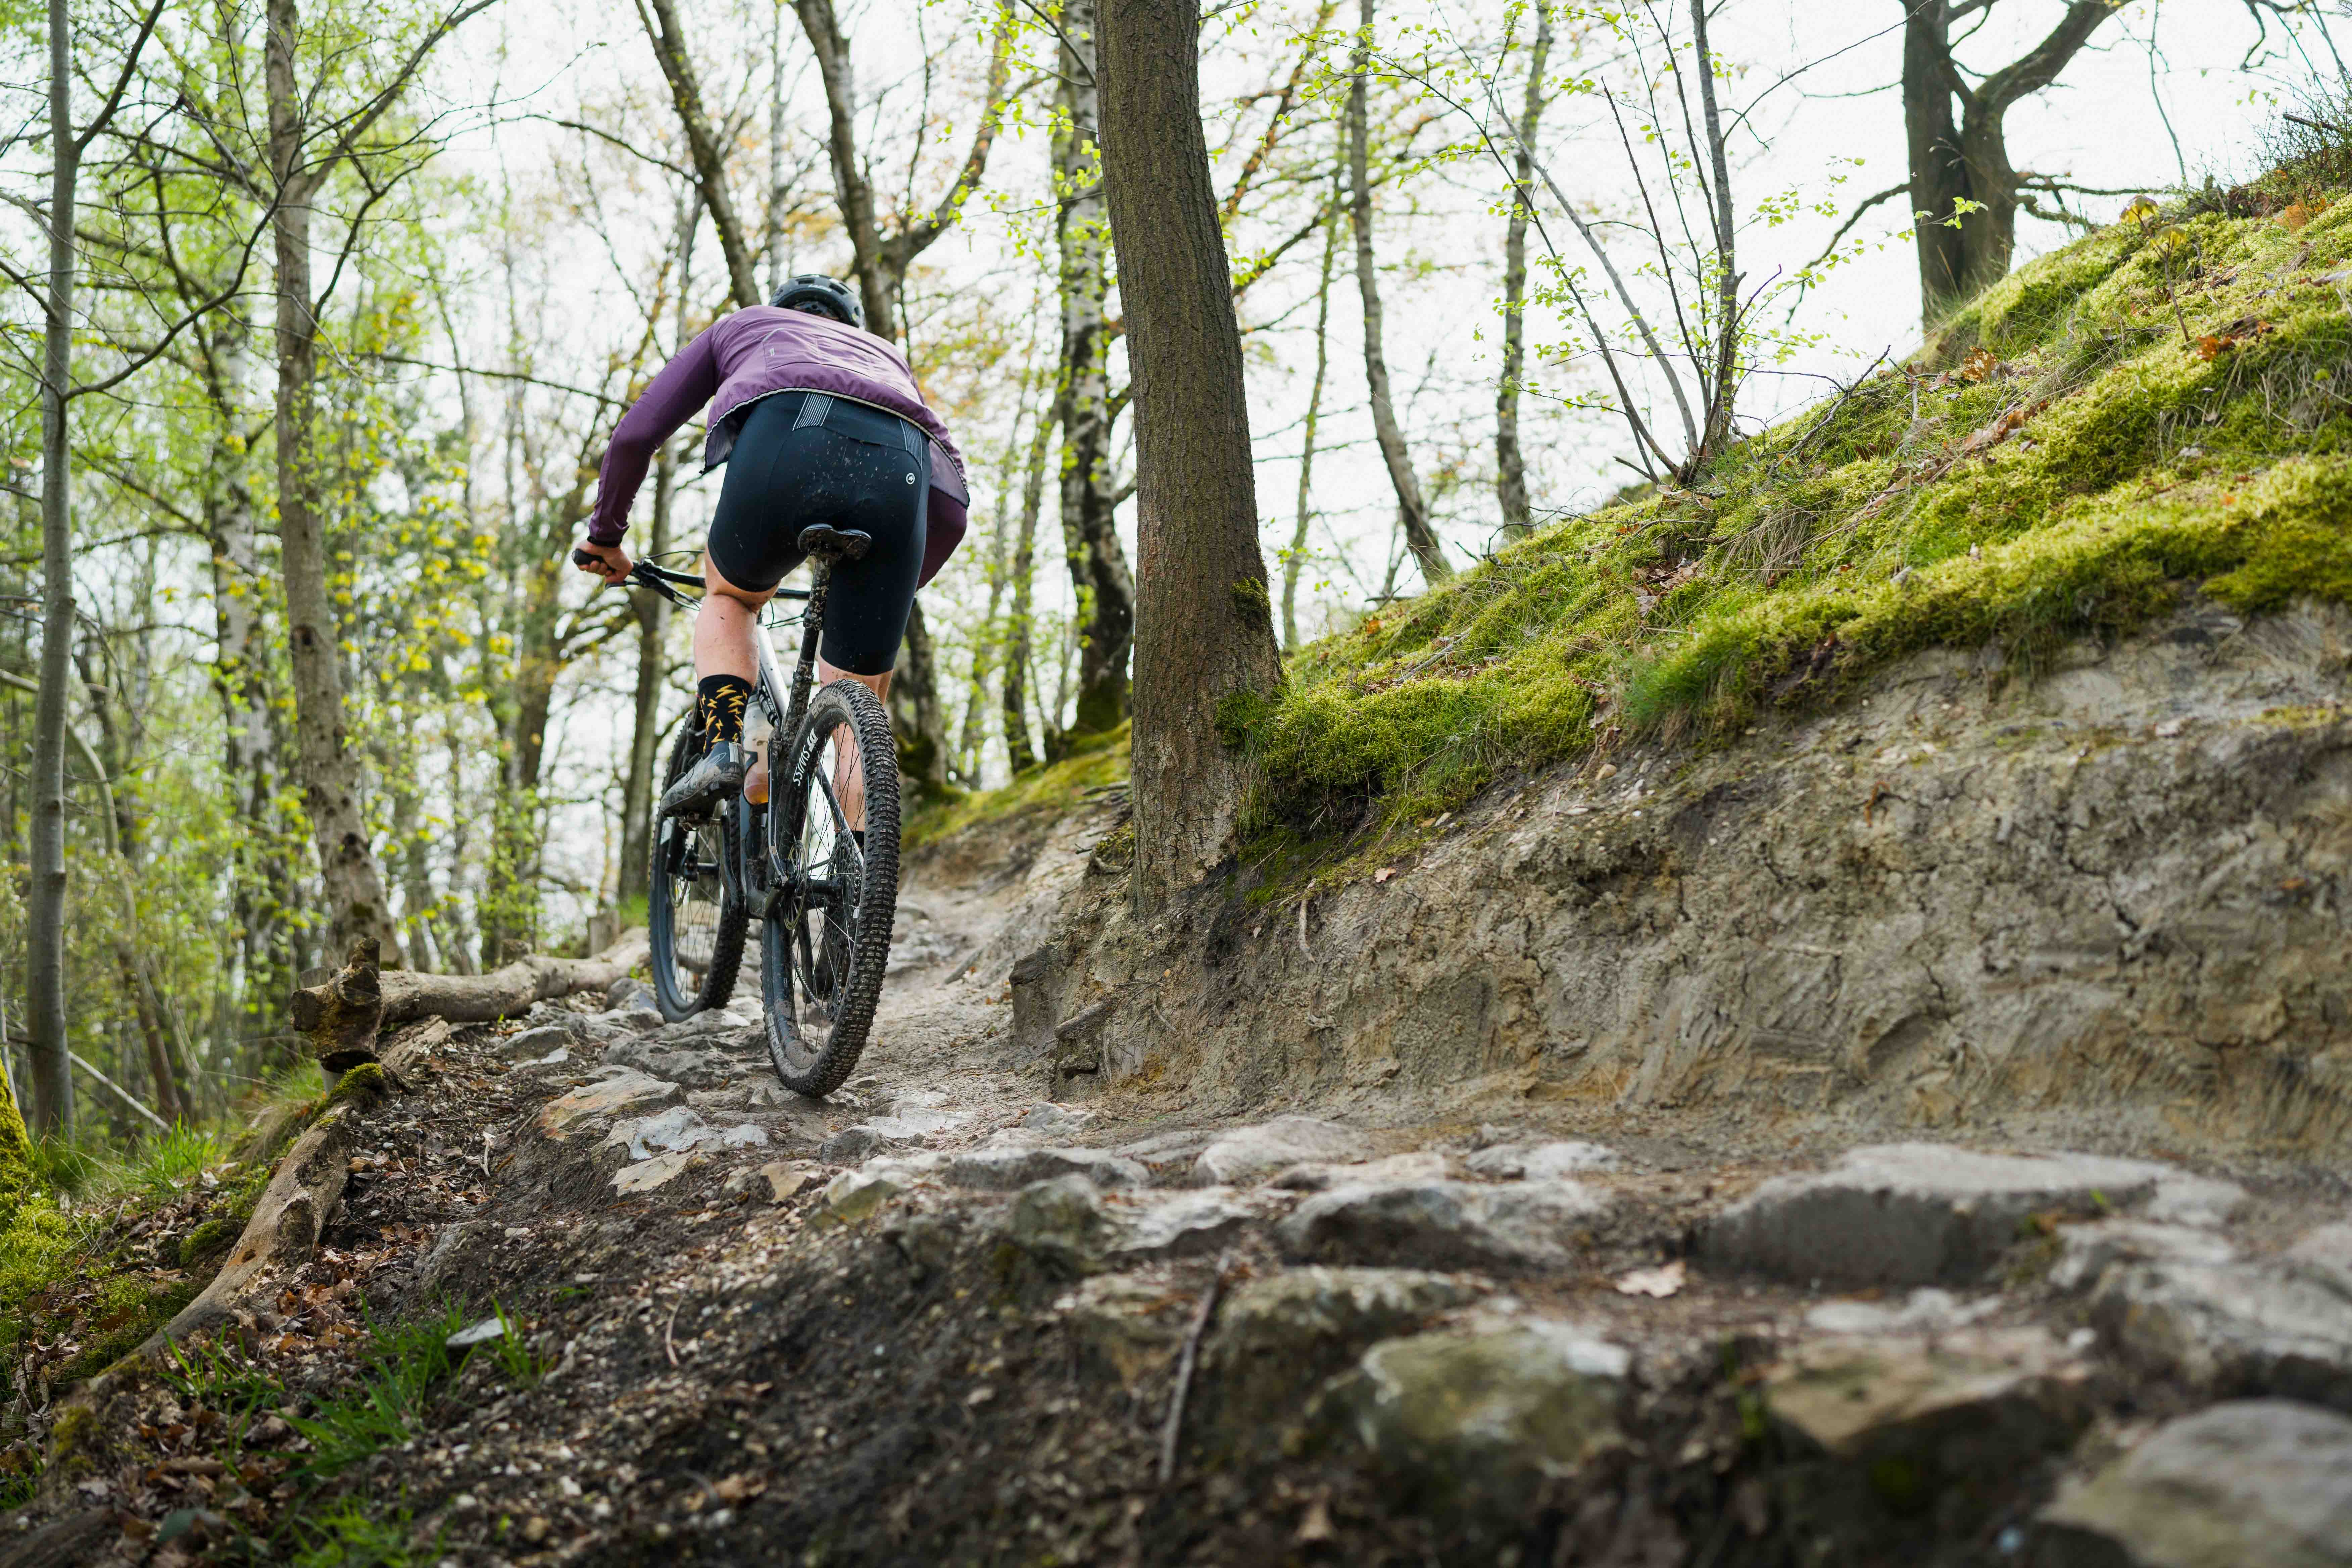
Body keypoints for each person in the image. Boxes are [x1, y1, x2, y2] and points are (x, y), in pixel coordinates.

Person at [575, 274, 969, 820]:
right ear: (850, 326)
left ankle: (723, 748)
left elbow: (636, 437)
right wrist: (894, 584)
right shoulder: (888, 359)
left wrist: (606, 537)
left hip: (788, 442)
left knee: (733, 597)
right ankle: (859, 886)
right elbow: (952, 505)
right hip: (897, 475)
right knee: (859, 698)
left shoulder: (743, 326)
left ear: (782, 309)